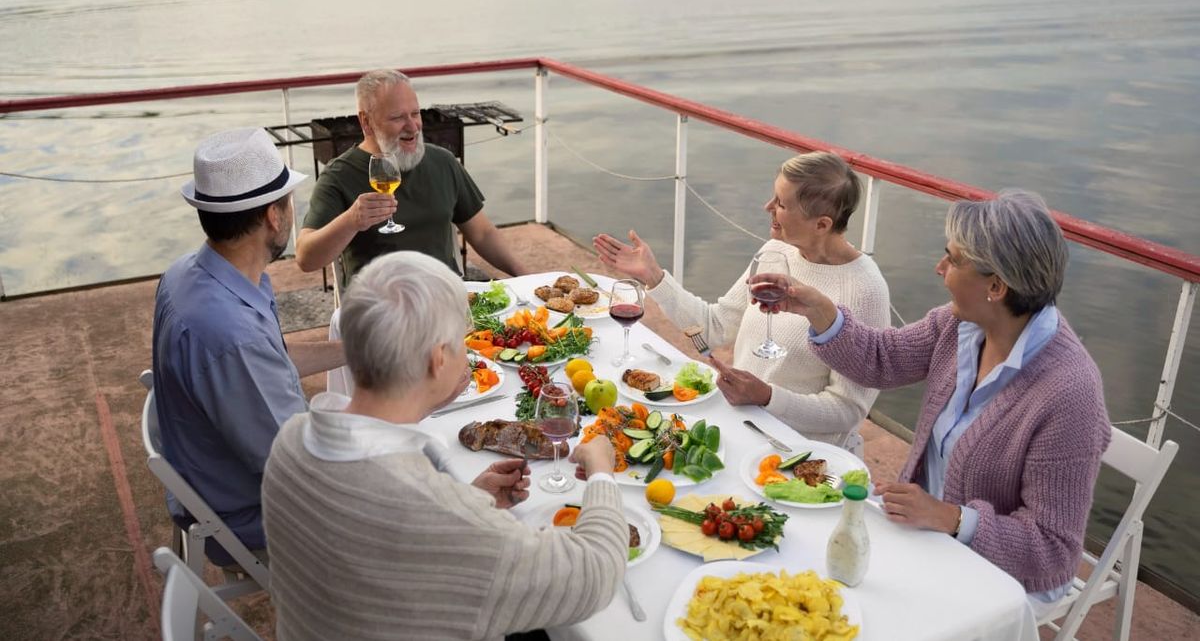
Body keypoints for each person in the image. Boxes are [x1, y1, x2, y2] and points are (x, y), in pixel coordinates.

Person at [748, 190, 1111, 611]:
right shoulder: (958, 326)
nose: (940, 269)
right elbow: (881, 360)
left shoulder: (1068, 393)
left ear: (996, 286)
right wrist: (817, 309)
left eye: (953, 260)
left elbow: (1053, 549)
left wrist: (953, 518)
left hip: (1003, 576)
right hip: (926, 533)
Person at [262, 251, 627, 641]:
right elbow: (596, 574)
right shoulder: (443, 515)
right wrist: (602, 473)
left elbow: (384, 546)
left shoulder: (290, 443)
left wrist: (471, 498)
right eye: (461, 342)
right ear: (438, 359)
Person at [593, 151, 890, 454]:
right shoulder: (776, 251)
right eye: (774, 196)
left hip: (799, 455)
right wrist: (655, 277)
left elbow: (848, 411)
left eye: (782, 204)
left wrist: (767, 397)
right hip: (741, 431)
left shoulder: (864, 289)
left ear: (822, 225)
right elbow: (714, 328)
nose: (768, 207)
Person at [152, 127, 345, 568]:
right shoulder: (229, 334)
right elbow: (302, 472)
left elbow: (270, 363)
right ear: (274, 217)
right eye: (290, 201)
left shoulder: (192, 273)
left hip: (210, 470)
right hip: (247, 513)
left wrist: (357, 348)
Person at [295, 68, 529, 286]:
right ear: (366, 122)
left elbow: (483, 233)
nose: (413, 126)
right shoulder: (339, 176)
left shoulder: (442, 162)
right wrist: (350, 221)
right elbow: (306, 258)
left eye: (415, 114)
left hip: (444, 298)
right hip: (380, 309)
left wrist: (530, 278)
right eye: (397, 117)